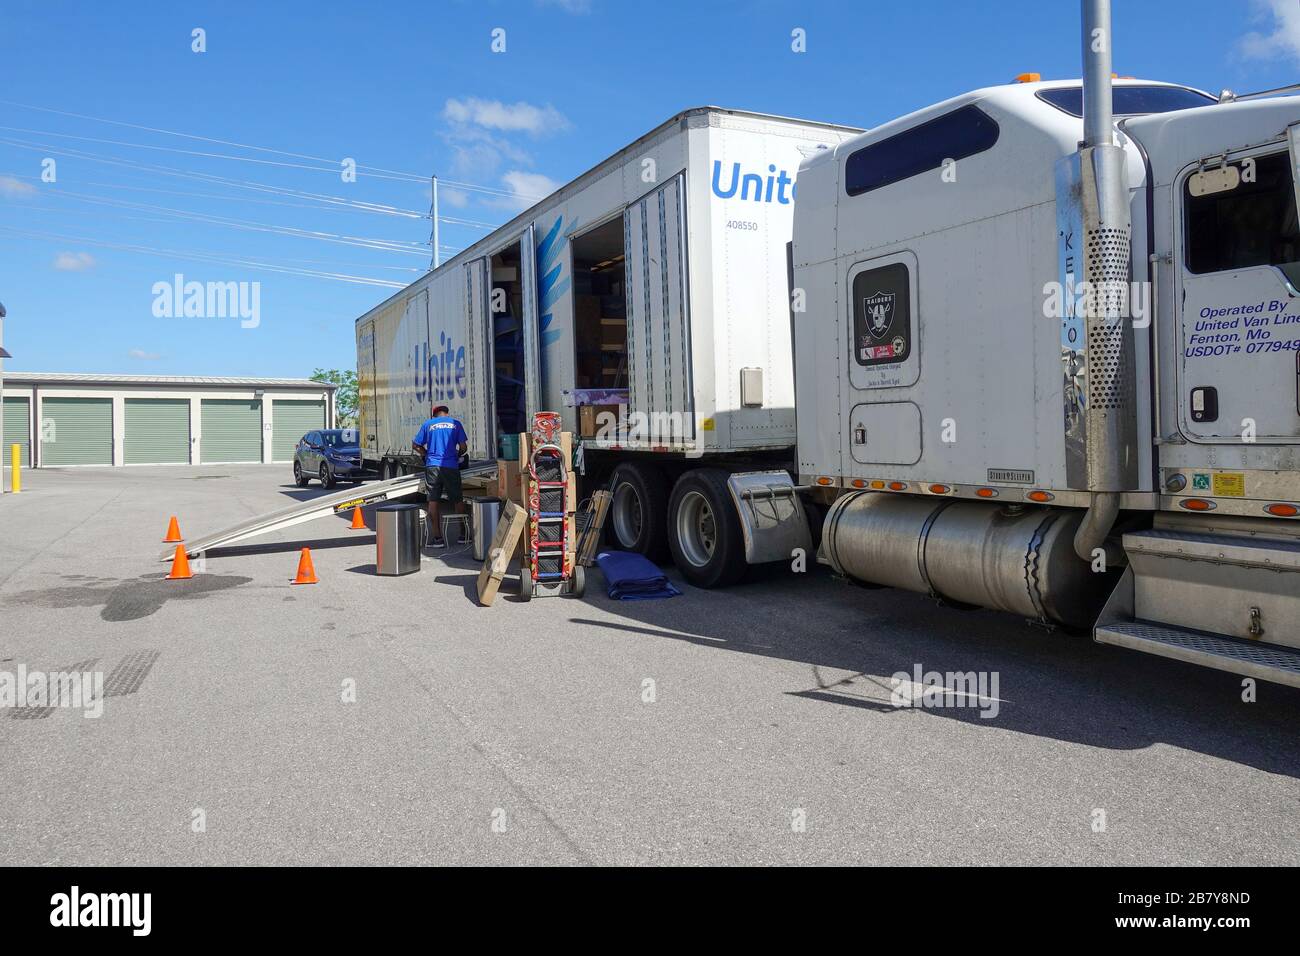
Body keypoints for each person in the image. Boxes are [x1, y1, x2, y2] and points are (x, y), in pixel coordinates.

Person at [412, 404, 468, 548]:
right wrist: (457, 455)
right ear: (447, 414)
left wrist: (426, 455)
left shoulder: (428, 424)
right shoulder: (455, 424)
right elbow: (463, 447)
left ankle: (438, 539)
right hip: (451, 466)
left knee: (433, 500)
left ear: (434, 415)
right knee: (457, 499)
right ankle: (464, 535)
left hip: (433, 466)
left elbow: (416, 445)